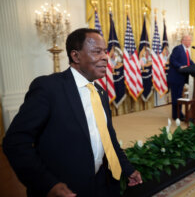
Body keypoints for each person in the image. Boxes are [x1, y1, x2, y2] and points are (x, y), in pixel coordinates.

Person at [3, 28, 142, 197]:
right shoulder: (49, 88)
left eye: (105, 51)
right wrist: (47, 185)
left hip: (101, 183)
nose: (106, 57)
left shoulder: (100, 92)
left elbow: (108, 137)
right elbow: (15, 141)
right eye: (97, 51)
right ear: (76, 56)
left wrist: (127, 169)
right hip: (67, 189)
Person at [168, 35, 194, 120]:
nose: (190, 42)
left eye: (190, 40)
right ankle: (176, 115)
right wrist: (180, 66)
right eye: (188, 40)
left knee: (179, 97)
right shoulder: (178, 48)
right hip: (175, 78)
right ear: (183, 41)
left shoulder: (186, 51)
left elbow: (189, 61)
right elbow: (172, 59)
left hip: (181, 78)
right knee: (176, 97)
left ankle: (179, 113)